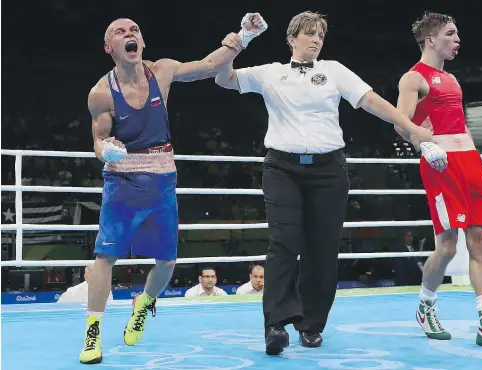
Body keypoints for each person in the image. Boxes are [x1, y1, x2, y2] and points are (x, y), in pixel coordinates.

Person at [215, 11, 443, 355]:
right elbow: (223, 78)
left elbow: (372, 103)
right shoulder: (270, 73)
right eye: (309, 33)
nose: (317, 39)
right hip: (282, 169)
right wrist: (241, 41)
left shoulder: (334, 70)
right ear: (292, 38)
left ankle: (311, 324)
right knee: (284, 242)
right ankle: (275, 325)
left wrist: (412, 129)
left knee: (322, 250)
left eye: (321, 34)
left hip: (329, 170)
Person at [80, 15, 267, 364]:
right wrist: (107, 149)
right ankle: (93, 332)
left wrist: (244, 36)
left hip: (162, 178)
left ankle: (145, 304)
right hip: (122, 180)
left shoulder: (162, 71)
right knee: (105, 257)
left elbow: (210, 65)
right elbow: (98, 140)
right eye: (120, 32)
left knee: (167, 262)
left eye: (134, 29)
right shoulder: (101, 93)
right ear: (110, 48)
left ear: (142, 42)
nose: (129, 34)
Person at [394, 11, 482, 349]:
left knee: (480, 240)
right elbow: (400, 123)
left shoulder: (453, 80)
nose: (457, 39)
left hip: (468, 161)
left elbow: (461, 125)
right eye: (450, 33)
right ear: (430, 39)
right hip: (440, 163)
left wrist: (480, 160)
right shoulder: (413, 78)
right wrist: (424, 144)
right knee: (447, 246)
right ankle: (425, 305)